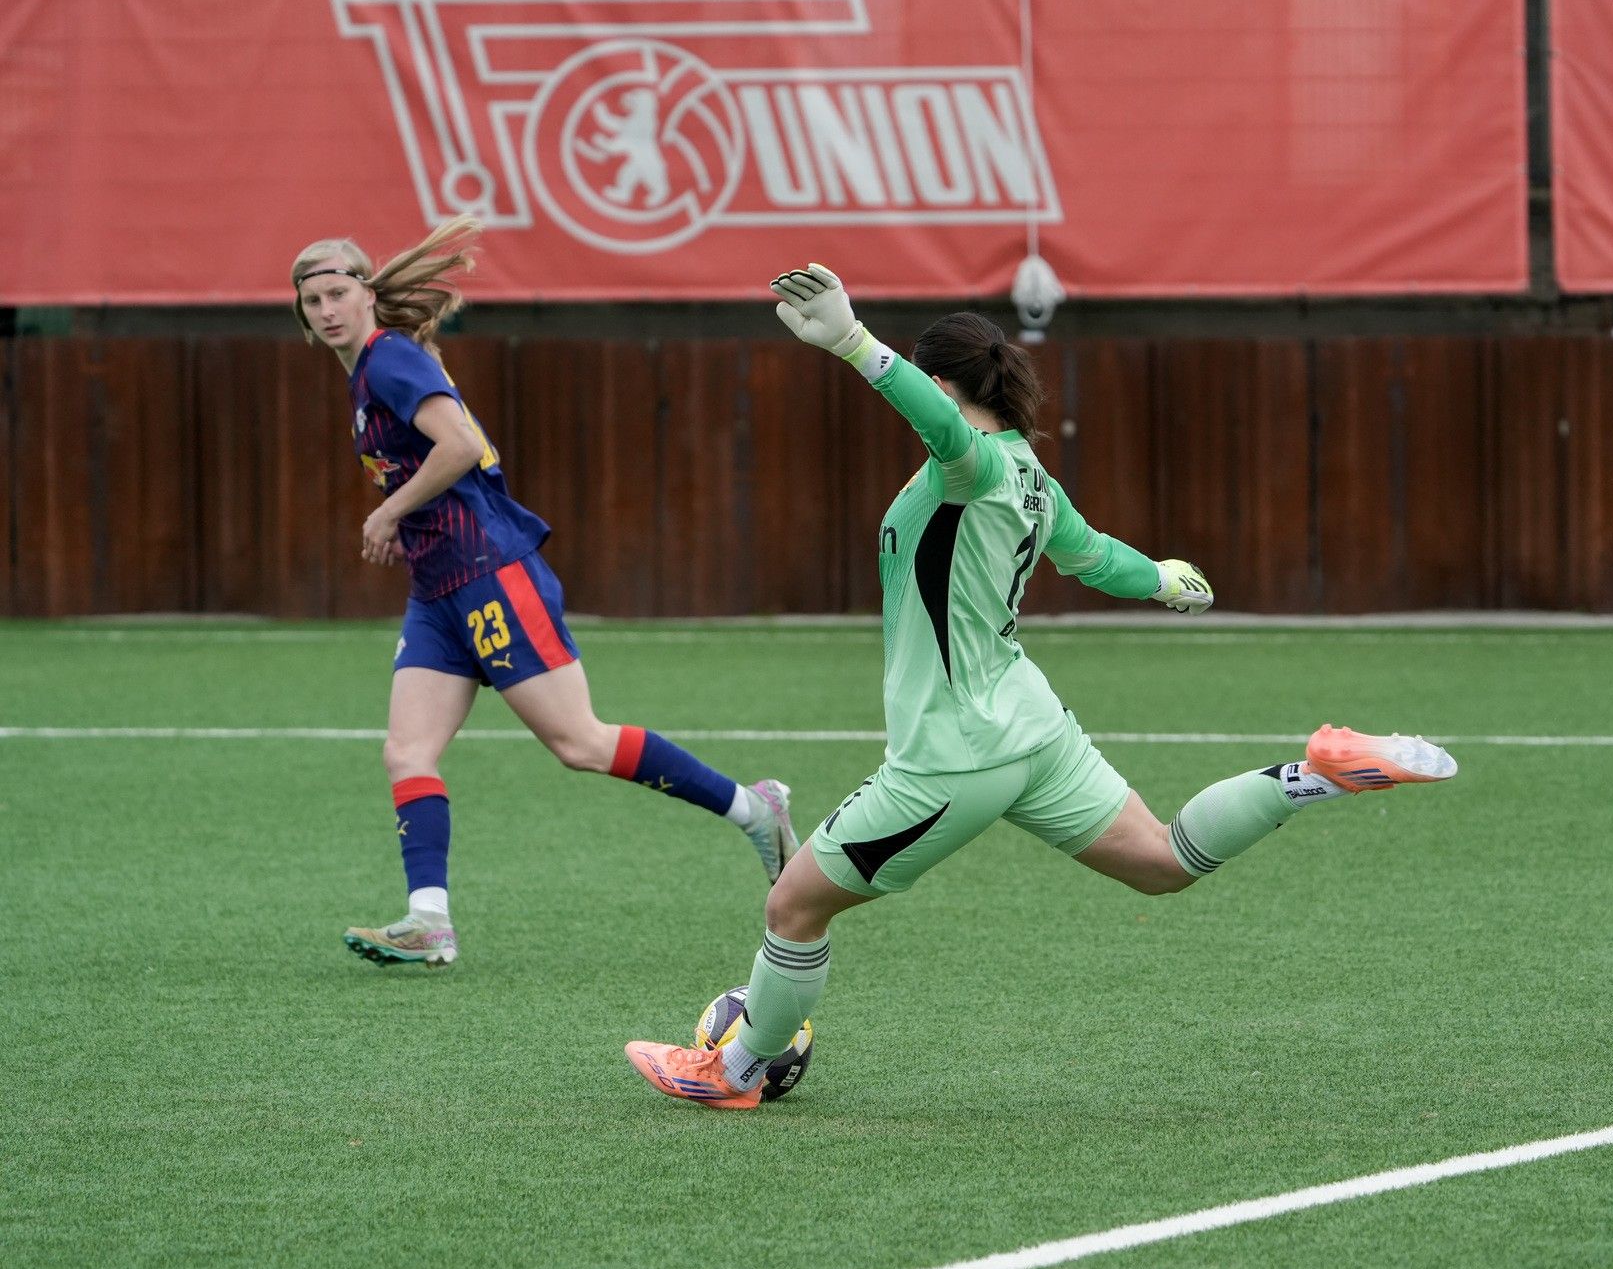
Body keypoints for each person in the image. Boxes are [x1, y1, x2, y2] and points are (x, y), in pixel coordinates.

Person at [624, 264, 1457, 1107]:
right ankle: (1313, 772)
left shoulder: (972, 463)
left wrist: (853, 343)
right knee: (1164, 862)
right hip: (1034, 730)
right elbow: (1094, 556)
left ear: (945, 382)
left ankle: (732, 1070)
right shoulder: (1030, 473)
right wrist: (1165, 580)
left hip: (956, 756)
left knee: (793, 906)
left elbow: (944, 430)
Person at [291, 216, 796, 969]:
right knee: (407, 750)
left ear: (366, 294)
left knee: (579, 743)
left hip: (490, 572)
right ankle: (429, 918)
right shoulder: (369, 372)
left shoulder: (388, 358)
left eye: (337, 292)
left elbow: (459, 444)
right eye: (312, 300)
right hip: (437, 590)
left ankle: (757, 810)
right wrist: (407, 509)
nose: (326, 309)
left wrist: (391, 508)